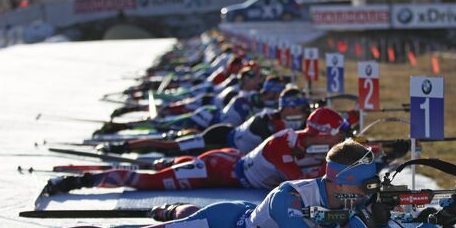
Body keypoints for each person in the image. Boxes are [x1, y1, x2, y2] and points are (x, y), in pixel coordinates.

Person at [0, 140, 456, 228]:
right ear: (341, 178)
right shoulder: (289, 196)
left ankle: (171, 210)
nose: (372, 193)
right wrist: (362, 224)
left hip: (250, 224)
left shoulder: (356, 202)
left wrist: (436, 222)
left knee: (168, 217)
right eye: (366, 184)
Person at [41, 107, 347, 195]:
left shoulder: (310, 142)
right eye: (337, 135)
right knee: (150, 181)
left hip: (231, 164)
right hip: (218, 169)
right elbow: (299, 184)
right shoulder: (284, 142)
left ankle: (169, 161)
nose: (340, 140)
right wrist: (329, 167)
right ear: (324, 133)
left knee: (171, 163)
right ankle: (79, 181)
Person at [102, 87, 310, 156]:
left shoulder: (274, 113)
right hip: (217, 136)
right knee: (170, 145)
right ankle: (121, 146)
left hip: (225, 139)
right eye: (300, 108)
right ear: (289, 107)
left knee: (171, 141)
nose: (303, 113)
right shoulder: (266, 117)